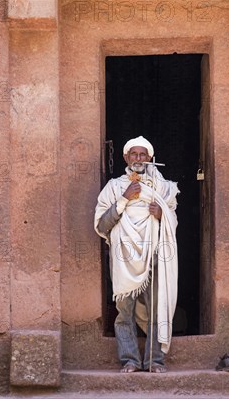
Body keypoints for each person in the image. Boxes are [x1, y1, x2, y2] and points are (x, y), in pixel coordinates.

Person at [94, 136, 180, 373]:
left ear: (150, 158)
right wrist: (124, 199)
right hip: (124, 258)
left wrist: (162, 215)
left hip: (154, 256)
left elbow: (173, 222)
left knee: (155, 308)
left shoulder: (163, 188)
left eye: (143, 155)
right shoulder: (113, 187)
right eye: (134, 154)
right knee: (124, 312)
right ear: (126, 158)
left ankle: (155, 361)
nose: (138, 159)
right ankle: (130, 360)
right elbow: (102, 225)